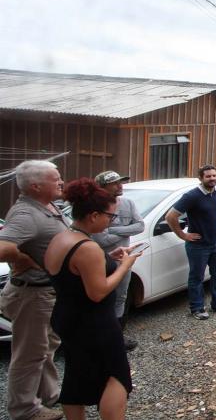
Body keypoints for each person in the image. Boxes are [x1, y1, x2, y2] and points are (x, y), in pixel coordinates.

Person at [44, 178, 142, 420]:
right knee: (116, 376)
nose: (112, 221)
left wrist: (108, 258)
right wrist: (123, 266)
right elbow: (98, 292)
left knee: (77, 374)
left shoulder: (62, 237)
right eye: (110, 217)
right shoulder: (87, 247)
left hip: (67, 317)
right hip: (94, 322)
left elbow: (74, 271)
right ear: (93, 216)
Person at [0, 160, 68, 420]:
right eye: (56, 178)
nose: (61, 181)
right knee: (29, 354)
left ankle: (50, 395)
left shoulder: (45, 205)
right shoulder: (26, 214)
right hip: (32, 295)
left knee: (46, 346)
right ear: (36, 185)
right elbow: (3, 246)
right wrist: (22, 259)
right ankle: (25, 409)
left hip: (45, 293)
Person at [166, 165, 216, 320]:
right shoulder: (191, 196)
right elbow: (170, 216)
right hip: (198, 246)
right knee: (196, 278)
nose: (212, 178)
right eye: (208, 176)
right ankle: (197, 308)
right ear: (200, 178)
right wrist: (183, 235)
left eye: (214, 175)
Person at [92, 170, 145, 352]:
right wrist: (125, 230)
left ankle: (117, 337)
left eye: (120, 182)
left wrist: (113, 230)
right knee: (102, 299)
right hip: (100, 261)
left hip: (123, 259)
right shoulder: (95, 207)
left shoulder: (128, 203)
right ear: (102, 188)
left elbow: (140, 226)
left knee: (121, 297)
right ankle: (100, 338)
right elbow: (101, 240)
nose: (120, 185)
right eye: (114, 183)